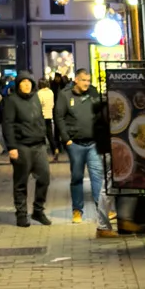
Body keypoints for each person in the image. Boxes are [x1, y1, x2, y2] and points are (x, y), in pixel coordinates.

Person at [56, 68, 106, 224]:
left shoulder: (93, 93)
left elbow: (101, 113)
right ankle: (77, 211)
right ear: (76, 80)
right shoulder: (65, 95)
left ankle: (102, 211)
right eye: (84, 80)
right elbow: (59, 117)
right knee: (77, 178)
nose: (87, 83)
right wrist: (66, 140)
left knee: (97, 177)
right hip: (75, 144)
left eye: (89, 80)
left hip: (93, 143)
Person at [0, 72, 51, 227]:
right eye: (23, 82)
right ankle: (21, 214)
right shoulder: (11, 101)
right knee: (21, 182)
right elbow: (7, 124)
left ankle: (38, 210)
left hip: (39, 145)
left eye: (29, 82)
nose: (27, 85)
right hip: (22, 146)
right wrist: (12, 147)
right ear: (18, 84)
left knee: (44, 178)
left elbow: (41, 118)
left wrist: (45, 138)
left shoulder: (35, 97)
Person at [36, 76, 56, 160]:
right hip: (49, 115)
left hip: (42, 116)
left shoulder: (39, 93)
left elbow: (39, 104)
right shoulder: (51, 92)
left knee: (41, 135)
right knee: (50, 134)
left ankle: (43, 153)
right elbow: (52, 104)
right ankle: (55, 149)